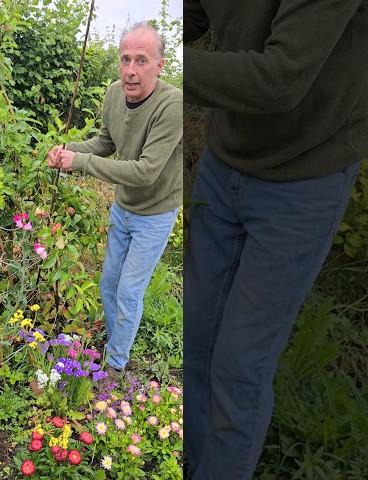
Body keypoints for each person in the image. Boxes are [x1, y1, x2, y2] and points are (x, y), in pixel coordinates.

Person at [183, 1, 368, 478]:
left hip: (305, 175)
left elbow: (280, 78)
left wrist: (148, 63)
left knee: (240, 366)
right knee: (195, 339)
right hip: (227, 159)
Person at [47, 22, 183, 377]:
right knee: (108, 283)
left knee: (128, 291)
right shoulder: (113, 94)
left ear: (159, 65)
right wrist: (68, 152)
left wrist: (82, 164)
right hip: (123, 208)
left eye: (141, 60)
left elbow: (146, 171)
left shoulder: (173, 106)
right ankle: (114, 343)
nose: (131, 70)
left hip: (155, 212)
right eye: (125, 59)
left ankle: (117, 365)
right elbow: (104, 143)